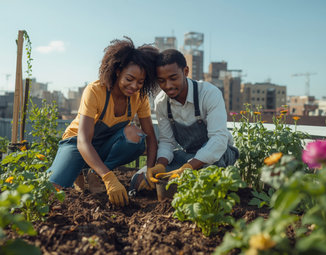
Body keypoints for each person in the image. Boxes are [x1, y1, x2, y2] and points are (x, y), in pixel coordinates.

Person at [47, 37, 158, 206]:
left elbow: (150, 136)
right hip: (76, 143)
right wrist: (109, 177)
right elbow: (83, 142)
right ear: (117, 71)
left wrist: (149, 170)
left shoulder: (139, 98)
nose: (134, 86)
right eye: (129, 79)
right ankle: (82, 171)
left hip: (105, 145)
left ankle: (94, 173)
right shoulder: (95, 90)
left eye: (140, 82)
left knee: (136, 136)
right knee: (52, 189)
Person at [131, 49, 239, 192]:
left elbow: (218, 139)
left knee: (207, 176)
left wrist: (188, 167)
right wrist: (161, 165)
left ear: (186, 71)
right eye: (162, 81)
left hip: (218, 154)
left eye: (173, 78)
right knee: (139, 181)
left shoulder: (209, 94)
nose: (168, 86)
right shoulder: (161, 102)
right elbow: (167, 142)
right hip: (188, 155)